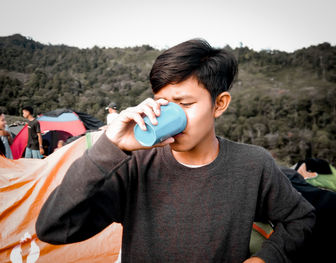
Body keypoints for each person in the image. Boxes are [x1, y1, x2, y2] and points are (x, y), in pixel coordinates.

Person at [36, 39, 315, 263]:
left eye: (184, 104)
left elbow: (300, 218)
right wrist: (108, 147)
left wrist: (266, 258)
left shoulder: (253, 165)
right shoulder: (135, 166)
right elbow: (53, 227)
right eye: (162, 104)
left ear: (219, 104)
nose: (170, 117)